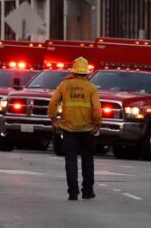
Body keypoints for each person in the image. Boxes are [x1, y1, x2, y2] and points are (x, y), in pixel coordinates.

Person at [47, 56, 102, 201]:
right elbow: (97, 109)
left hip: (69, 130)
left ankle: (72, 192)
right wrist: (97, 124)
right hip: (87, 130)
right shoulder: (91, 88)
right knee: (87, 161)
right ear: (86, 72)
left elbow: (53, 103)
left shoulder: (64, 85)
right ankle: (87, 191)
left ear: (74, 71)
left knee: (70, 161)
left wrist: (53, 119)